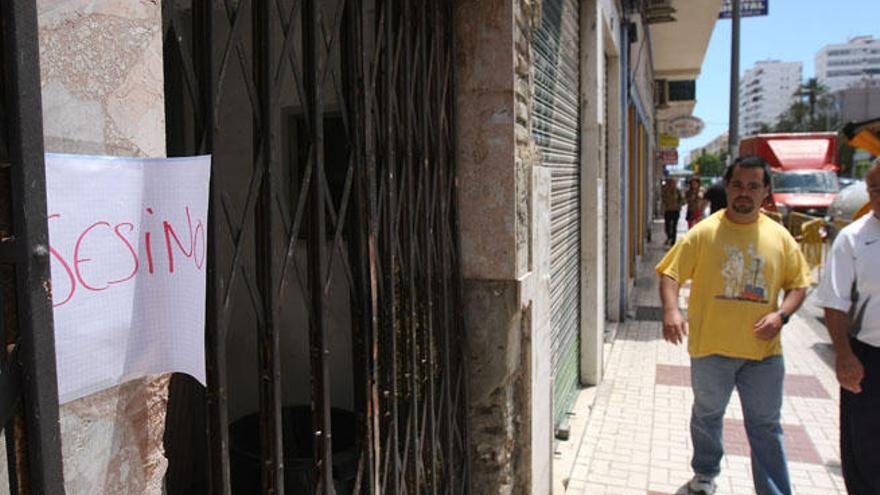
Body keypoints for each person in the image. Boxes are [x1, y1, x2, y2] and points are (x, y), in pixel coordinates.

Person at [656, 155, 811, 495]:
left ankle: (773, 489)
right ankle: (706, 474)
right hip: (711, 349)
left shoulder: (780, 236)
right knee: (707, 417)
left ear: (766, 192)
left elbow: (799, 284)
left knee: (766, 427)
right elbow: (670, 273)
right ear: (727, 187)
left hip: (764, 355)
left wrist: (781, 315)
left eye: (754, 186)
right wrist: (671, 310)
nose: (745, 192)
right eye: (738, 185)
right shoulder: (704, 232)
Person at [815, 157, 880, 495]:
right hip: (868, 360)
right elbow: (835, 302)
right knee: (865, 451)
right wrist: (844, 356)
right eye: (874, 189)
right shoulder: (853, 239)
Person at [662, 178, 684, 246]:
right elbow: (663, 198)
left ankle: (673, 241)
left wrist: (679, 205)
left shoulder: (678, 191)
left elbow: (682, 200)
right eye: (671, 183)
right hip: (668, 210)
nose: (673, 184)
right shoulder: (665, 190)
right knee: (667, 226)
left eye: (674, 183)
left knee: (674, 226)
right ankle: (669, 236)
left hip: (675, 210)